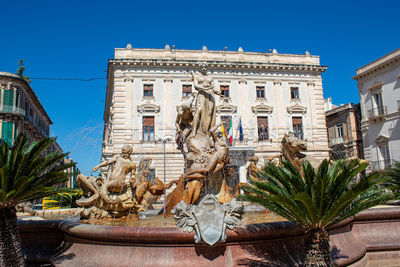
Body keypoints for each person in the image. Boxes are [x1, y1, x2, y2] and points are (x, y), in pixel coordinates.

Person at [190, 63, 223, 136]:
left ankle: (207, 132)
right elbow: (196, 85)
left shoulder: (210, 77)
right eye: (202, 67)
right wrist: (204, 88)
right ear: (200, 68)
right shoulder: (197, 76)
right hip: (202, 93)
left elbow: (213, 87)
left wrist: (217, 92)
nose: (204, 68)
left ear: (207, 68)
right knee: (198, 111)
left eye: (205, 67)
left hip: (210, 94)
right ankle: (194, 131)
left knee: (209, 113)